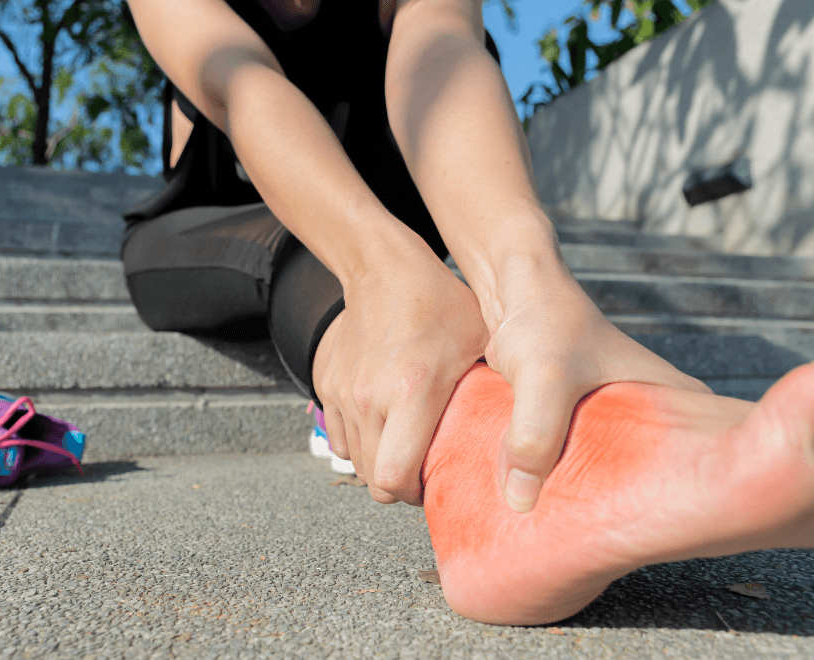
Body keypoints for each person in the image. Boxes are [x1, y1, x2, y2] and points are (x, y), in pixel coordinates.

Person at [123, 0, 814, 625]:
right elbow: (242, 84)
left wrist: (531, 283)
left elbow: (445, 48)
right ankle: (490, 460)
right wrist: (380, 270)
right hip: (221, 223)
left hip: (406, 219)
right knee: (313, 258)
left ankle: (590, 439)